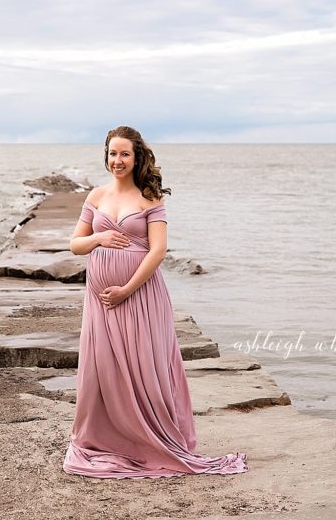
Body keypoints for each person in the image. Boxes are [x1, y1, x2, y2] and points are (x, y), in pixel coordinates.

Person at [62, 125, 249, 478]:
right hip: (100, 302)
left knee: (144, 368)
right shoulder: (96, 196)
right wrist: (99, 237)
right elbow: (75, 244)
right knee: (102, 369)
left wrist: (126, 289)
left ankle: (148, 439)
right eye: (112, 153)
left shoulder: (150, 199)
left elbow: (158, 251)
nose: (118, 160)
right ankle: (105, 440)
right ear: (106, 156)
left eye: (124, 154)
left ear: (136, 158)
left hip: (140, 297)